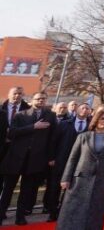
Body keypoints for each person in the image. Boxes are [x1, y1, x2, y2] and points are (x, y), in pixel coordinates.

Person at [57, 107, 104, 230]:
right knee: (74, 207)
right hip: (80, 178)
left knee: (96, 208)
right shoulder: (83, 136)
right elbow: (73, 158)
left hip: (101, 178)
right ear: (96, 119)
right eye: (102, 118)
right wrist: (65, 178)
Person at [0, 92, 56, 225]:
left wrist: (50, 157)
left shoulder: (51, 115)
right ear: (32, 100)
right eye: (38, 98)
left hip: (35, 159)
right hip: (16, 157)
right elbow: (12, 133)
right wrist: (33, 127)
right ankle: (1, 214)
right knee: (8, 188)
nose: (41, 101)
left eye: (43, 99)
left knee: (27, 190)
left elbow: (52, 138)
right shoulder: (21, 114)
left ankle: (20, 216)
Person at [45, 102, 92, 221]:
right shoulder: (65, 124)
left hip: (81, 162)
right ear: (76, 110)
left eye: (87, 108)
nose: (85, 110)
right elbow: (54, 141)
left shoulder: (91, 127)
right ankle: (52, 212)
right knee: (55, 187)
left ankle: (65, 211)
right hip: (61, 160)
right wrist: (51, 157)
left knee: (74, 188)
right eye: (82, 107)